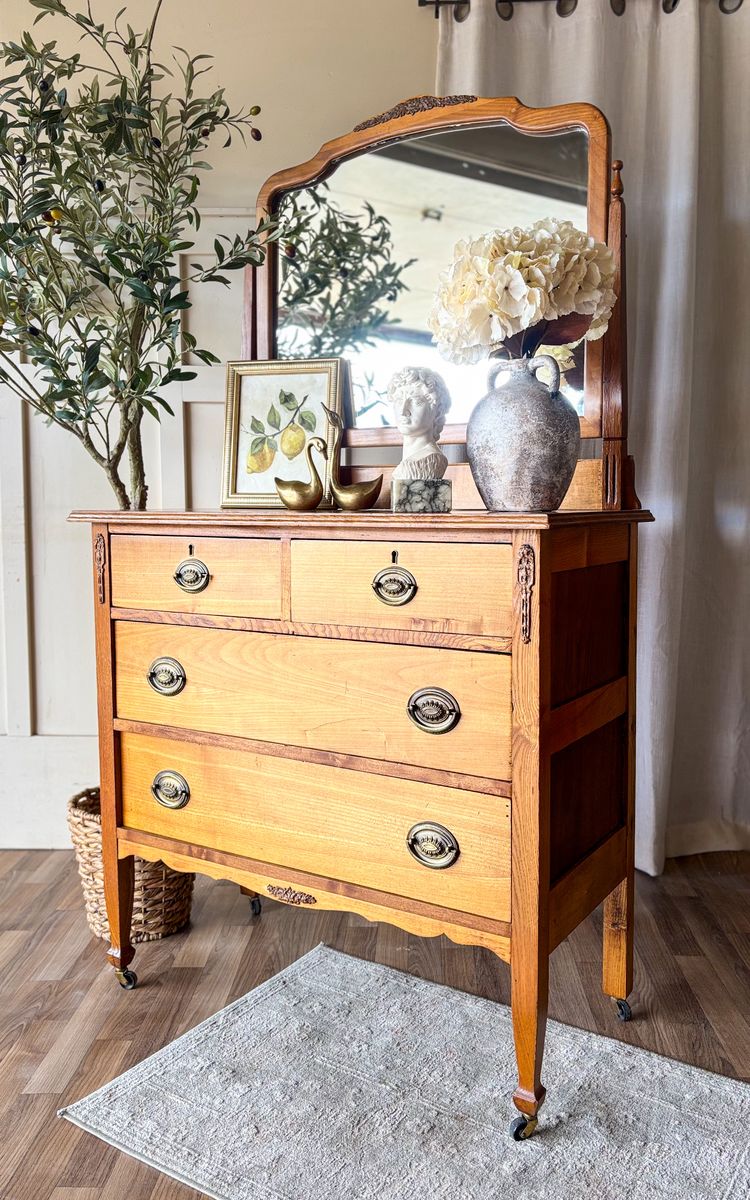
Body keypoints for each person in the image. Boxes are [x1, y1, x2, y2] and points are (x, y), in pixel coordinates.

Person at [388, 367, 452, 481]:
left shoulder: (431, 460)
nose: (403, 411)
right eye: (398, 401)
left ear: (436, 410)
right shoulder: (407, 462)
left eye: (416, 402)